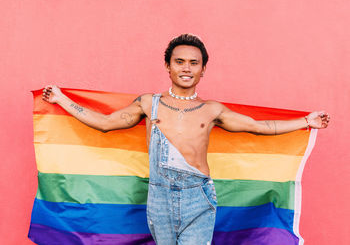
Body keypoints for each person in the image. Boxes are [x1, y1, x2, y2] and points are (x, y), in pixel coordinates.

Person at [42, 34, 330, 245]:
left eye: (194, 63)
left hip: (199, 196)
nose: (186, 68)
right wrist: (61, 99)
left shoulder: (211, 109)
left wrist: (306, 121)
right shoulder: (148, 104)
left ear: (203, 69)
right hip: (159, 196)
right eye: (179, 61)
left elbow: (258, 126)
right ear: (167, 66)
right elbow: (105, 124)